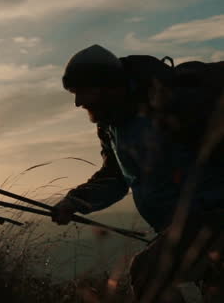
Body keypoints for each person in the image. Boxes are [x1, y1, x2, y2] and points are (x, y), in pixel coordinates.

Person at [52, 44, 224, 303]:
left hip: (212, 219)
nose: (78, 102)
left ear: (105, 85)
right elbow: (116, 176)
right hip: (179, 229)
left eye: (81, 92)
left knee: (147, 271)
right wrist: (75, 201)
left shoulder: (169, 102)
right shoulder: (111, 124)